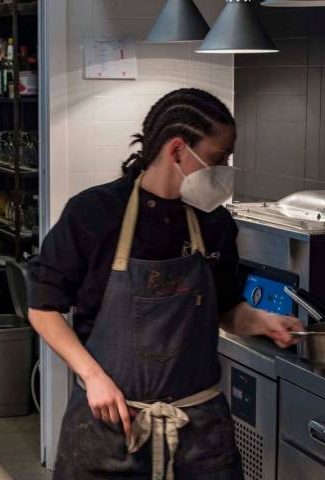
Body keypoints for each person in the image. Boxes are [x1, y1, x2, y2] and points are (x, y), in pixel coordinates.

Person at [27, 88, 302, 480]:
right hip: (111, 424)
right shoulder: (94, 213)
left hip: (201, 434)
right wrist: (93, 377)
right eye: (216, 159)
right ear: (177, 151)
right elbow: (43, 307)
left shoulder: (214, 223)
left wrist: (262, 321)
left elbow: (226, 309)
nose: (223, 171)